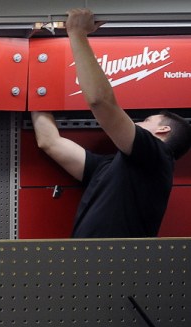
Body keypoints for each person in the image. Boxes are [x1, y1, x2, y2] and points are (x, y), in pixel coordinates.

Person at [31, 8, 191, 238]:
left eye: (147, 120)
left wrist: (77, 33)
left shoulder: (157, 157)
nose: (136, 122)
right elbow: (49, 141)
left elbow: (100, 102)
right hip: (90, 265)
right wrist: (37, 83)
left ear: (163, 130)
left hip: (115, 268)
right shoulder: (111, 167)